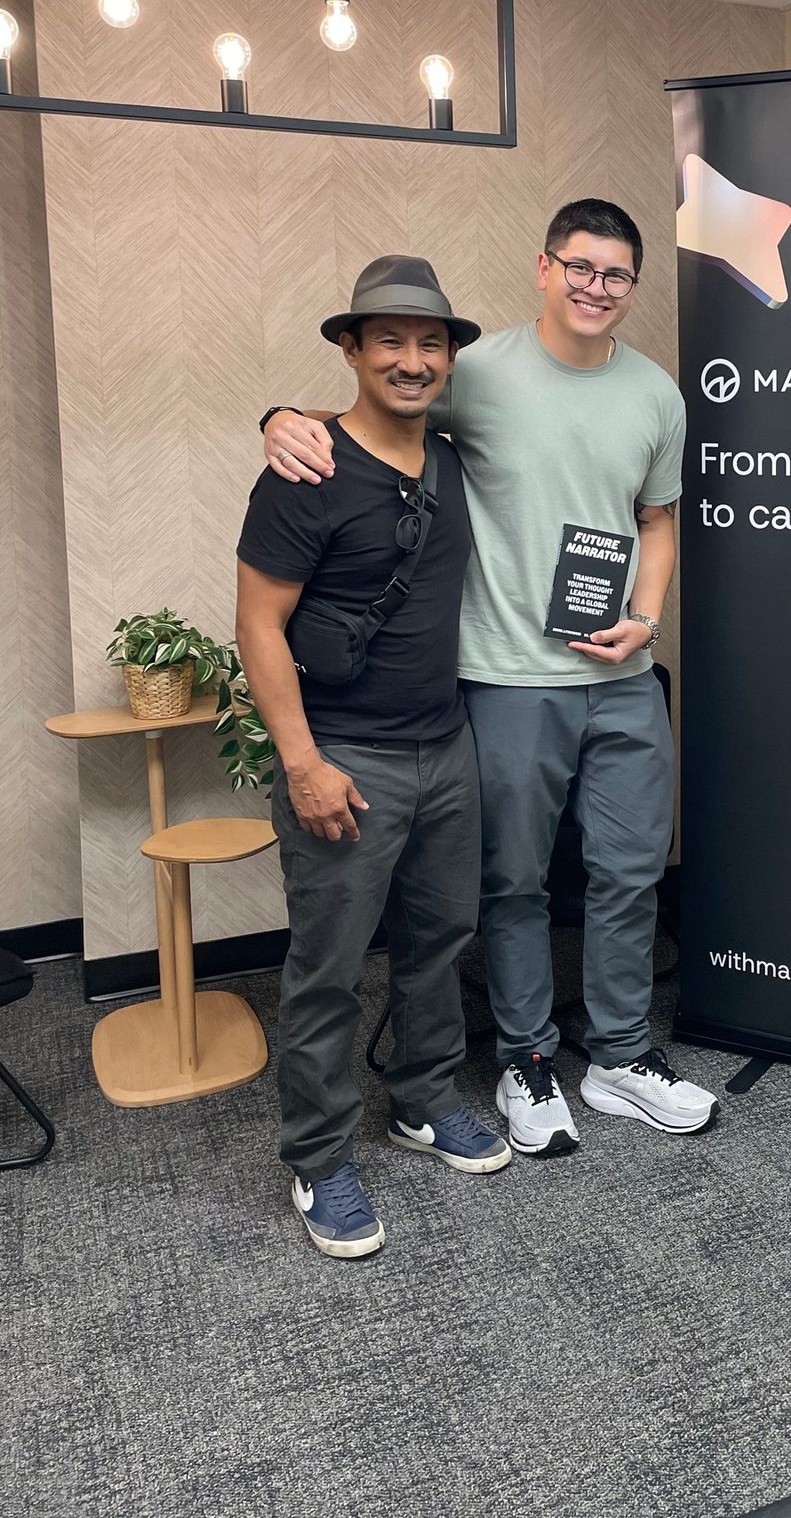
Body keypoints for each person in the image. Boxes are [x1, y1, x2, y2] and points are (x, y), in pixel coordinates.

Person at [262, 201, 718, 1160]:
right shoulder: (478, 373)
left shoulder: (657, 395)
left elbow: (658, 520)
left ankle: (622, 1056)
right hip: (509, 679)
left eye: (617, 275)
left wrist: (647, 615)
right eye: (579, 268)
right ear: (545, 268)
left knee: (632, 870)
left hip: (622, 675)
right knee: (513, 883)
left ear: (632, 287)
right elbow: (369, 415)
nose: (597, 288)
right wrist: (277, 421)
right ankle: (525, 1059)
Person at [237, 256, 511, 1261]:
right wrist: (302, 761)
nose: (410, 358)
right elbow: (258, 626)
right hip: (345, 758)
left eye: (429, 341)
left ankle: (425, 1099)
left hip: (447, 747)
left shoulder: (447, 457)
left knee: (441, 941)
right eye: (388, 339)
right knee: (328, 968)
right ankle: (318, 1157)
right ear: (350, 349)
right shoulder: (304, 471)